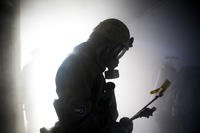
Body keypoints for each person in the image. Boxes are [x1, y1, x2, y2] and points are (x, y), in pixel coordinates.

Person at [40, 18, 134, 133]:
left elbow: (96, 112)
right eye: (118, 52)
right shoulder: (77, 66)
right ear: (107, 47)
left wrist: (116, 125)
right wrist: (115, 130)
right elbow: (78, 124)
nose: (117, 60)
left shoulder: (92, 68)